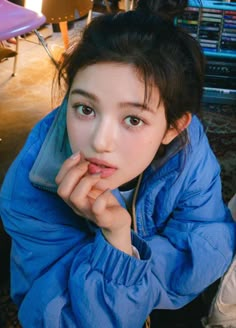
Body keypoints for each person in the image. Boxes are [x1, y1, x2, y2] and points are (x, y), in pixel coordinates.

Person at [0, 0, 235, 327]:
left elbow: (207, 248)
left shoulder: (189, 151)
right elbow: (54, 318)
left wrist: (127, 269)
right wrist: (116, 238)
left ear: (173, 128)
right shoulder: (30, 184)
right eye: (85, 109)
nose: (100, 142)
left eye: (133, 119)